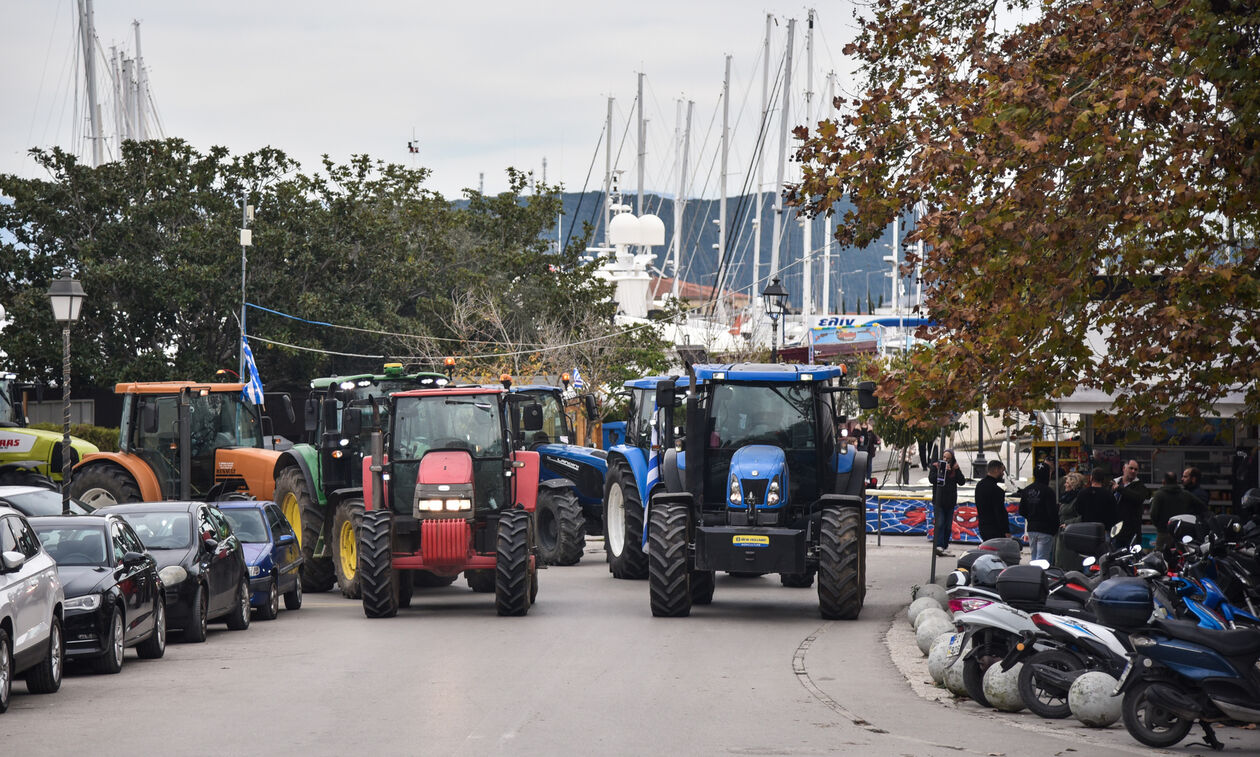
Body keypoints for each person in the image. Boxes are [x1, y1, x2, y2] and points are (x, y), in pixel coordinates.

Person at [1019, 462, 1059, 562]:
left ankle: (1033, 576)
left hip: (1032, 528)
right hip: (1045, 529)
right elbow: (1052, 513)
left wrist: (1031, 517)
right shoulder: (1048, 491)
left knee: (1034, 557)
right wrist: (1055, 527)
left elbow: (1021, 510)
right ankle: (1039, 576)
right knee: (1042, 559)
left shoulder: (1027, 490)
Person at [930, 449, 966, 557]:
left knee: (948, 526)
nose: (946, 460)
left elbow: (962, 482)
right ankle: (939, 545)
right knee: (940, 523)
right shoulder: (936, 466)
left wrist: (957, 470)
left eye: (948, 458)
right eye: (944, 457)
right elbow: (932, 479)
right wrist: (942, 471)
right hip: (939, 500)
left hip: (950, 501)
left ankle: (944, 546)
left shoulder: (954, 469)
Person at [1150, 471, 1197, 552]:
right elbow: (1201, 507)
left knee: (1160, 557)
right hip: (1181, 534)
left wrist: (1160, 527)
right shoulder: (1185, 494)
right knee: (1181, 556)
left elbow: (1153, 514)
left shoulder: (1159, 495)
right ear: (1176, 482)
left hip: (1163, 533)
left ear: (1163, 482)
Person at [1112, 459, 1150, 549]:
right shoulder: (1114, 483)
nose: (1133, 471)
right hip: (1115, 529)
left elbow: (1138, 498)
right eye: (1131, 468)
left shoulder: (1140, 486)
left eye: (1136, 469)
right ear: (1124, 468)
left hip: (1132, 532)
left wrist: (1120, 489)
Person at [1054, 471, 1087, 570]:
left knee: (1068, 563)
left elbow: (1083, 516)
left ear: (1073, 484)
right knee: (1060, 561)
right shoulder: (1066, 497)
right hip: (1062, 534)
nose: (1065, 484)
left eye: (1067, 483)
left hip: (1071, 535)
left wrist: (1068, 523)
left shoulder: (1078, 498)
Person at [975, 459, 1010, 542]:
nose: (1003, 474)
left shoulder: (979, 485)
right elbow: (1000, 512)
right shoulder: (997, 490)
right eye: (1002, 471)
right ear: (996, 470)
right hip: (995, 529)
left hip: (983, 527)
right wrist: (1006, 531)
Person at [1075, 467, 1119, 532]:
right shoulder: (1108, 494)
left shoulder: (1082, 493)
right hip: (1103, 530)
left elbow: (1078, 510)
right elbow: (1114, 514)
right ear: (1103, 479)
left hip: (1086, 529)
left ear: (1091, 478)